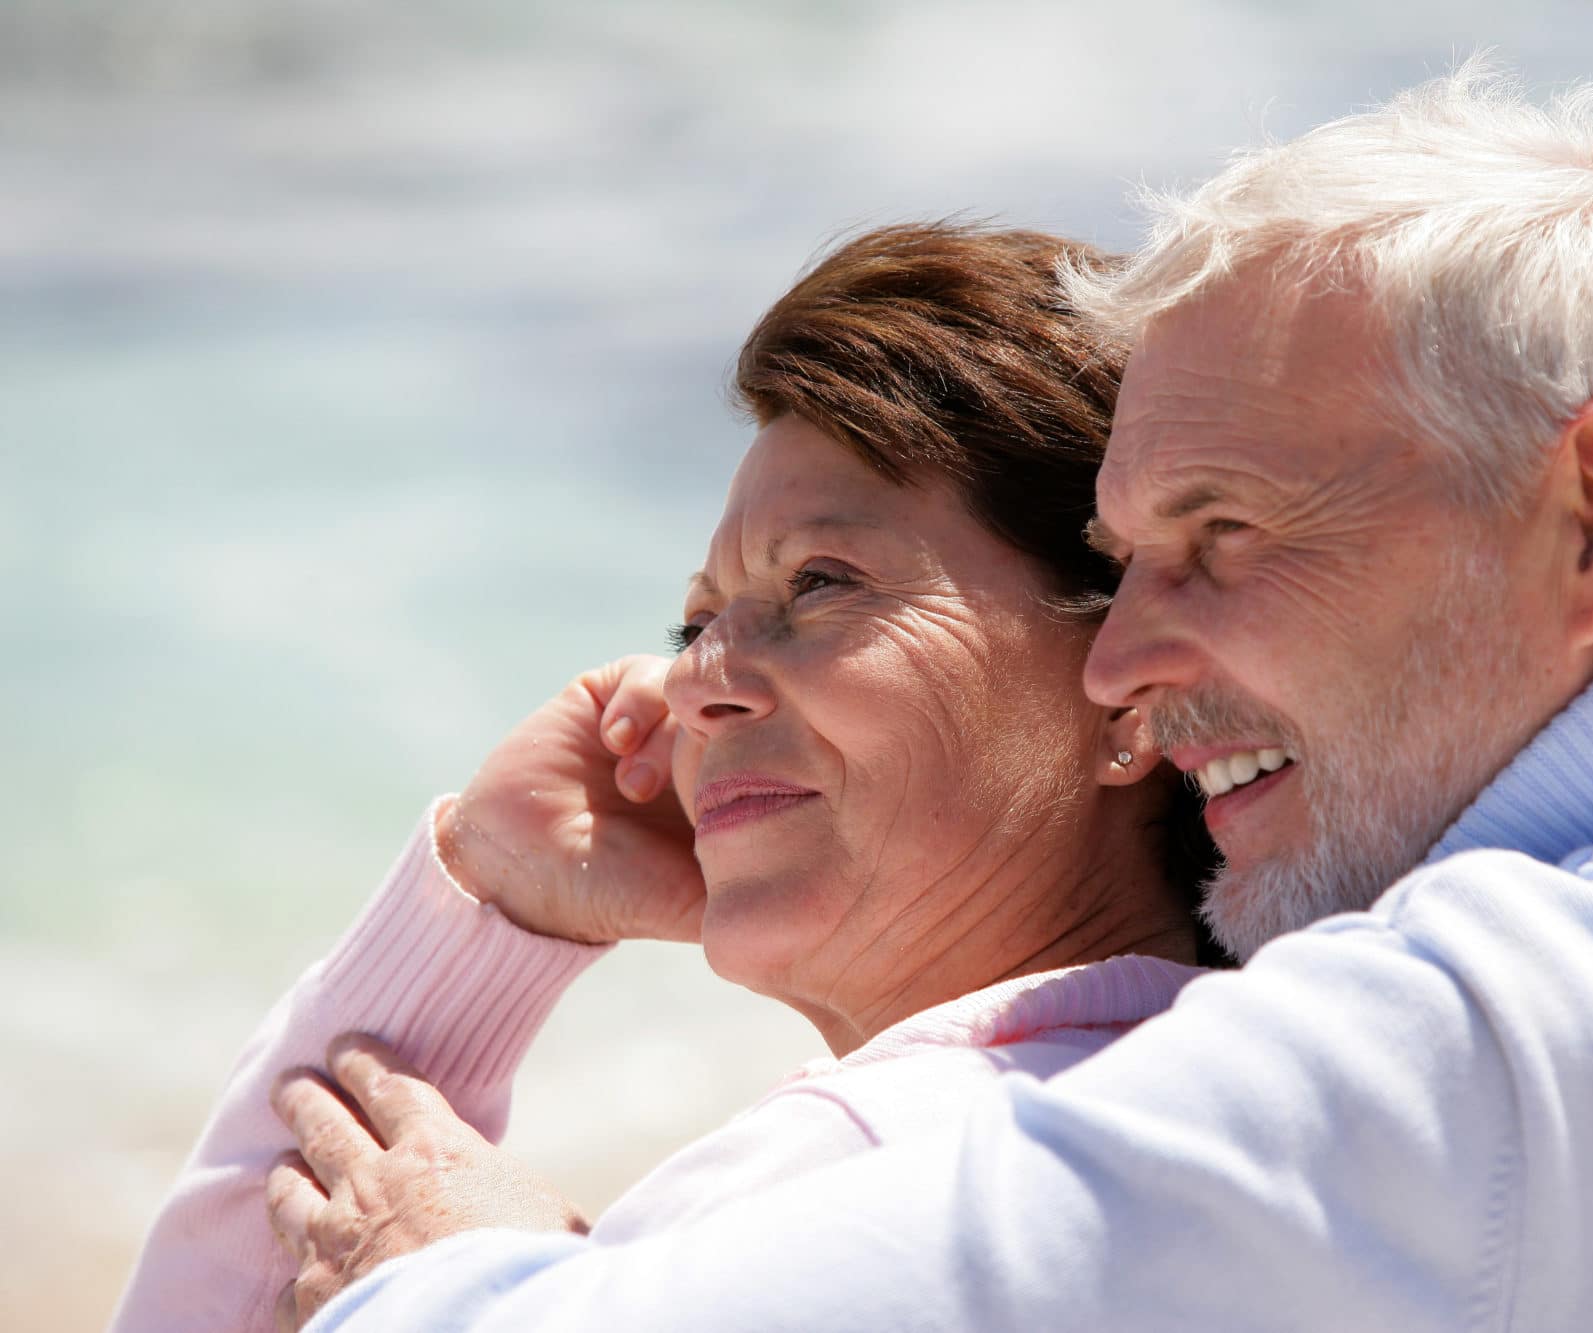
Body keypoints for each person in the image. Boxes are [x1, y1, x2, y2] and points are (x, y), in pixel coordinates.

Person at [280, 61, 1593, 1331]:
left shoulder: (1477, 1040)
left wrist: (445, 1263)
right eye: (1120, 556)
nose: (1120, 654)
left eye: (1219, 537)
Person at [109, 222, 1223, 1333]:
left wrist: (468, 1289)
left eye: (822, 583)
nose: (696, 684)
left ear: (1124, 687)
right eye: (694, 622)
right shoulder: (1235, 1115)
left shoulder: (841, 1181)